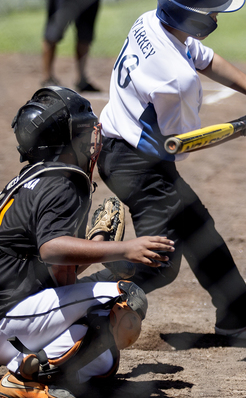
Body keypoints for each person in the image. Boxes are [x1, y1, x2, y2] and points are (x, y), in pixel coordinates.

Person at [95, 0, 246, 345]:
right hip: (140, 165)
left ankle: (237, 320)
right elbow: (181, 145)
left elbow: (206, 58)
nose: (218, 15)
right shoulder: (176, 81)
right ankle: (71, 293)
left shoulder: (151, 22)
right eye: (213, 10)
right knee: (160, 264)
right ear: (193, 15)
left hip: (117, 143)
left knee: (200, 231)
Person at [0, 86, 174, 398]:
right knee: (124, 297)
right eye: (82, 132)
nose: (91, 139)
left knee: (104, 360)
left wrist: (97, 240)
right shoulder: (65, 181)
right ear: (66, 139)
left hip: (16, 317)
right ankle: (24, 380)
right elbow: (51, 249)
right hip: (12, 316)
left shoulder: (28, 180)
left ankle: (29, 366)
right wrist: (124, 248)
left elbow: (53, 270)